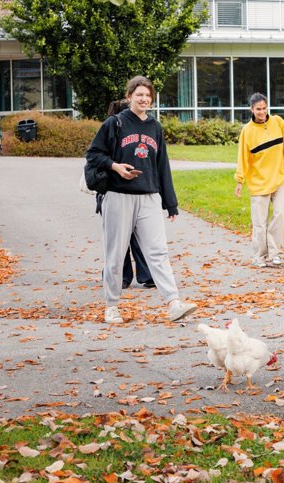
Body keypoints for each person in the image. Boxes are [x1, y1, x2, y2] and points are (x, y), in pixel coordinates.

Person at [86, 76, 197, 325]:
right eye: (139, 95)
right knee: (115, 254)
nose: (144, 99)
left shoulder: (154, 127)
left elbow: (162, 166)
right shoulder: (114, 123)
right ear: (129, 97)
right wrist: (115, 166)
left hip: (148, 197)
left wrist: (170, 203)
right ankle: (111, 306)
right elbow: (93, 154)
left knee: (158, 252)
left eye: (148, 96)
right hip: (118, 197)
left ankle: (174, 303)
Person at [234, 93, 284, 268]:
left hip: (280, 178)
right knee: (259, 223)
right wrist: (240, 180)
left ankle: (275, 254)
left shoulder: (278, 122)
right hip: (258, 182)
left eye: (265, 108)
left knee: (280, 216)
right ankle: (259, 256)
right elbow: (243, 158)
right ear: (252, 110)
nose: (262, 112)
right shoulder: (247, 131)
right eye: (258, 109)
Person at [105, 99, 154, 290]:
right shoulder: (114, 129)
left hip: (129, 192)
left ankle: (130, 275)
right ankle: (130, 275)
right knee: (125, 237)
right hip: (115, 190)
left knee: (125, 237)